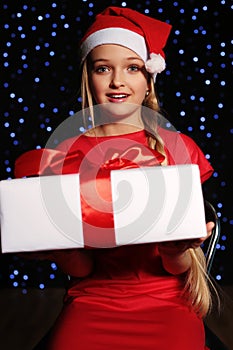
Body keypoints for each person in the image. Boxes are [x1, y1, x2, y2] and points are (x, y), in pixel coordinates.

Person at [14, 6, 217, 350]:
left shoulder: (177, 148)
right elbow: (81, 269)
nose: (117, 81)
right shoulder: (64, 154)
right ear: (89, 77)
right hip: (92, 299)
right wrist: (60, 251)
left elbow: (178, 268)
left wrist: (177, 247)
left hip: (166, 302)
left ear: (149, 78)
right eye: (103, 68)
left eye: (132, 68)